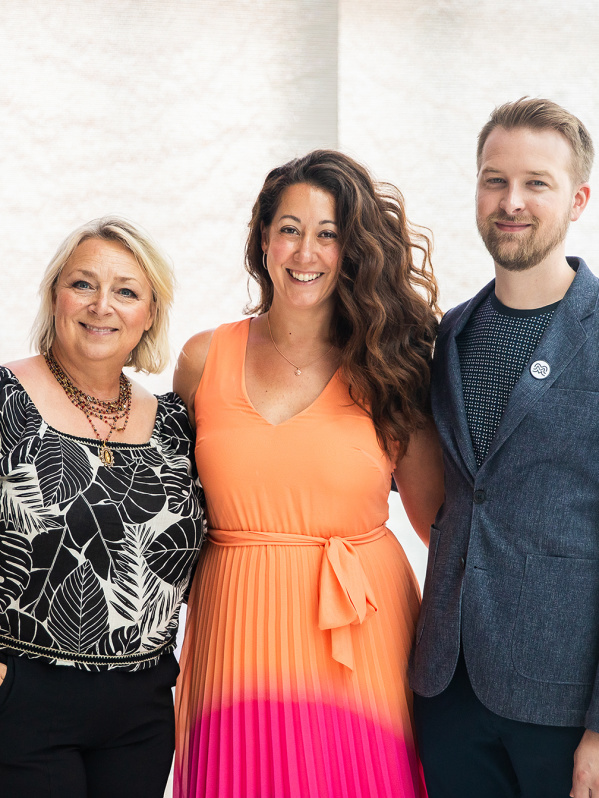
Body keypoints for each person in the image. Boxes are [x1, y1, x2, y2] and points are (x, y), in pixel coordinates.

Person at [173, 150, 444, 798]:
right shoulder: (203, 358)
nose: (305, 252)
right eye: (290, 229)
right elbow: (162, 508)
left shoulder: (390, 366)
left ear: (352, 251)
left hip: (360, 640)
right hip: (233, 633)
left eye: (328, 234)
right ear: (263, 239)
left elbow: (442, 526)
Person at [410, 97, 599, 798]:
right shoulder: (448, 336)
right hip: (446, 691)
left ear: (577, 200)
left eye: (535, 183)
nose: (510, 201)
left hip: (563, 707)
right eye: (495, 180)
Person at [0, 216, 205, 798]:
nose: (101, 306)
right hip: (26, 698)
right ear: (55, 296)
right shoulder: (5, 398)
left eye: (126, 291)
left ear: (150, 314)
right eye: (83, 284)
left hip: (141, 710)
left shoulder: (175, 422)